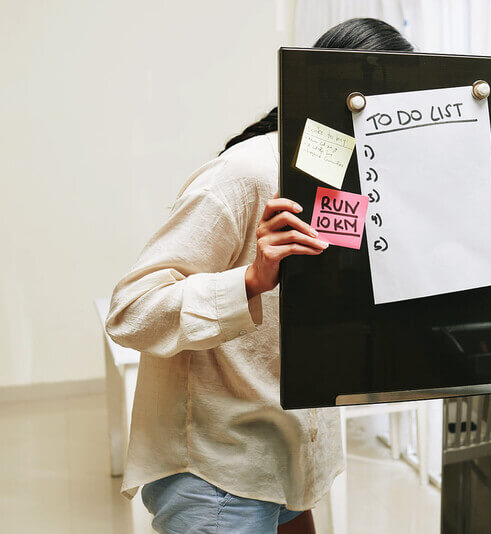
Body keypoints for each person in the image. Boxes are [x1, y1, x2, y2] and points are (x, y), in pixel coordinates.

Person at [106, 18, 413, 534]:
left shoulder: (356, 179)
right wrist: (249, 279)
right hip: (219, 474)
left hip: (289, 457)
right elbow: (130, 311)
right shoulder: (245, 175)